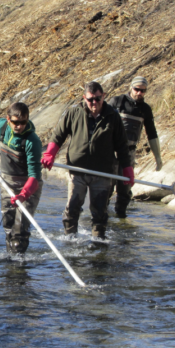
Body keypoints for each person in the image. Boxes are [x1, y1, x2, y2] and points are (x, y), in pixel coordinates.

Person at [41, 81, 133, 239]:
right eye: (90, 99)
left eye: (98, 99)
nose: (94, 103)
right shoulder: (74, 113)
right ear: (84, 98)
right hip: (78, 171)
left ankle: (98, 243)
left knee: (99, 211)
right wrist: (50, 153)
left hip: (103, 173)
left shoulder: (113, 116)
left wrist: (127, 168)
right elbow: (58, 136)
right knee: (72, 208)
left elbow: (122, 146)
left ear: (103, 96)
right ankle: (70, 239)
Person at [0, 102, 43, 254]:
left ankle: (18, 268)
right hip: (7, 183)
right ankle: (10, 262)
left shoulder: (32, 141)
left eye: (23, 122)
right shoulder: (1, 126)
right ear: (8, 119)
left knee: (19, 231)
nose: (19, 126)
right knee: (8, 227)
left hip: (28, 187)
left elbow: (34, 176)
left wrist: (23, 195)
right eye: (15, 122)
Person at [107, 76, 163, 217]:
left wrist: (158, 157)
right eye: (137, 89)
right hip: (110, 151)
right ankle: (101, 215)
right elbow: (101, 124)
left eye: (143, 91)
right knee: (106, 186)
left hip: (129, 152)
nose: (139, 93)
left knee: (125, 188)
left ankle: (121, 216)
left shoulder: (145, 109)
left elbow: (152, 134)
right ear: (131, 87)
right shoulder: (117, 101)